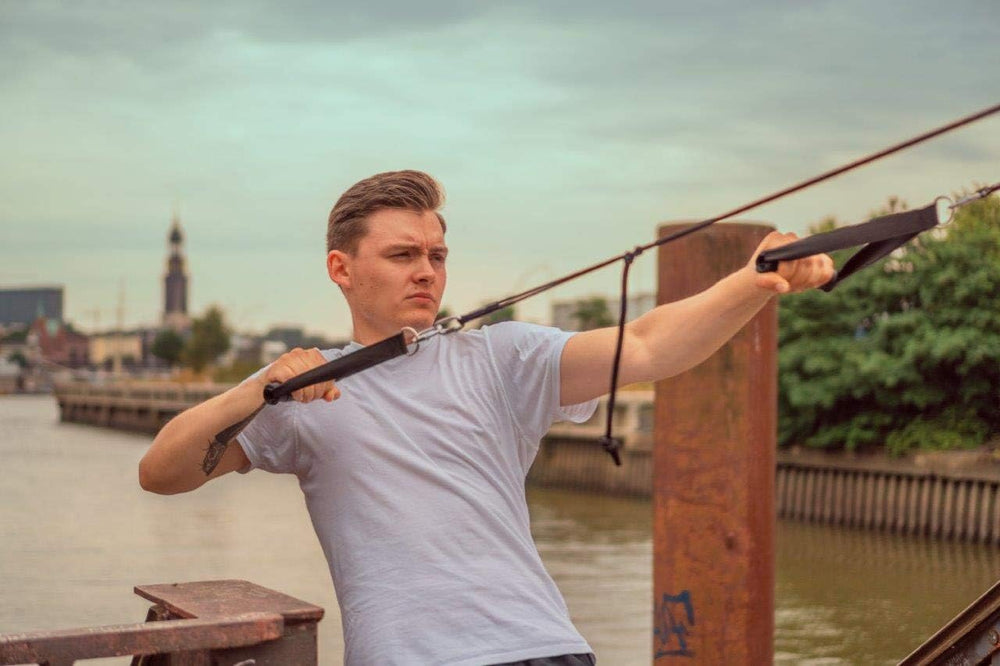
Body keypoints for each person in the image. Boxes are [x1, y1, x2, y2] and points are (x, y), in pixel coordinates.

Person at [139, 170, 833, 665]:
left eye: (436, 256)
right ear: (341, 269)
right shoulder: (300, 391)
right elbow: (161, 473)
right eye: (403, 255)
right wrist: (255, 392)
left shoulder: (502, 358)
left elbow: (649, 345)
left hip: (545, 648)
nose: (426, 271)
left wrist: (752, 281)